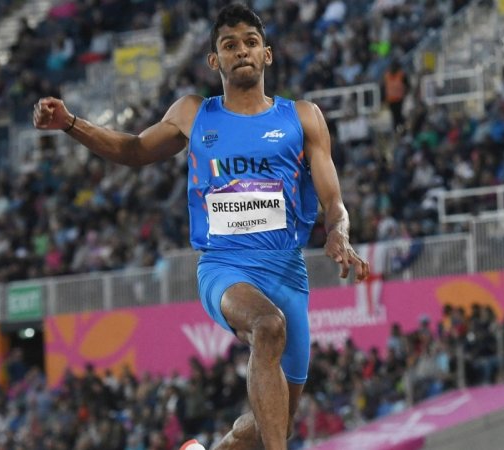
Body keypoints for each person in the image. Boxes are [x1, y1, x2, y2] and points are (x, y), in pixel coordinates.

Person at [32, 4, 369, 450]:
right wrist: (70, 123)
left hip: (287, 271)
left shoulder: (303, 118)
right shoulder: (194, 114)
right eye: (229, 45)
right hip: (225, 267)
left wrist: (339, 231)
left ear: (267, 54)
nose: (241, 51)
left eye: (251, 42)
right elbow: (134, 150)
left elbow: (333, 201)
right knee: (267, 326)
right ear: (215, 60)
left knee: (276, 421)